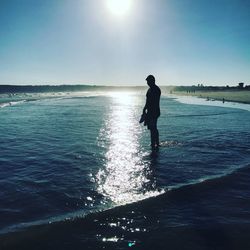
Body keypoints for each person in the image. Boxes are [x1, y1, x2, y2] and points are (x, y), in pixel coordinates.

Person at [142, 75, 161, 150]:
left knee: (153, 128)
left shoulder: (156, 89)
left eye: (148, 81)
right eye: (147, 81)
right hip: (150, 112)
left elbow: (154, 102)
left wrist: (148, 112)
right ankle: (154, 143)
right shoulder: (149, 90)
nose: (147, 83)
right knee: (152, 128)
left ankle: (155, 144)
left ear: (152, 81)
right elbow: (147, 101)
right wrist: (144, 109)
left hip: (154, 112)